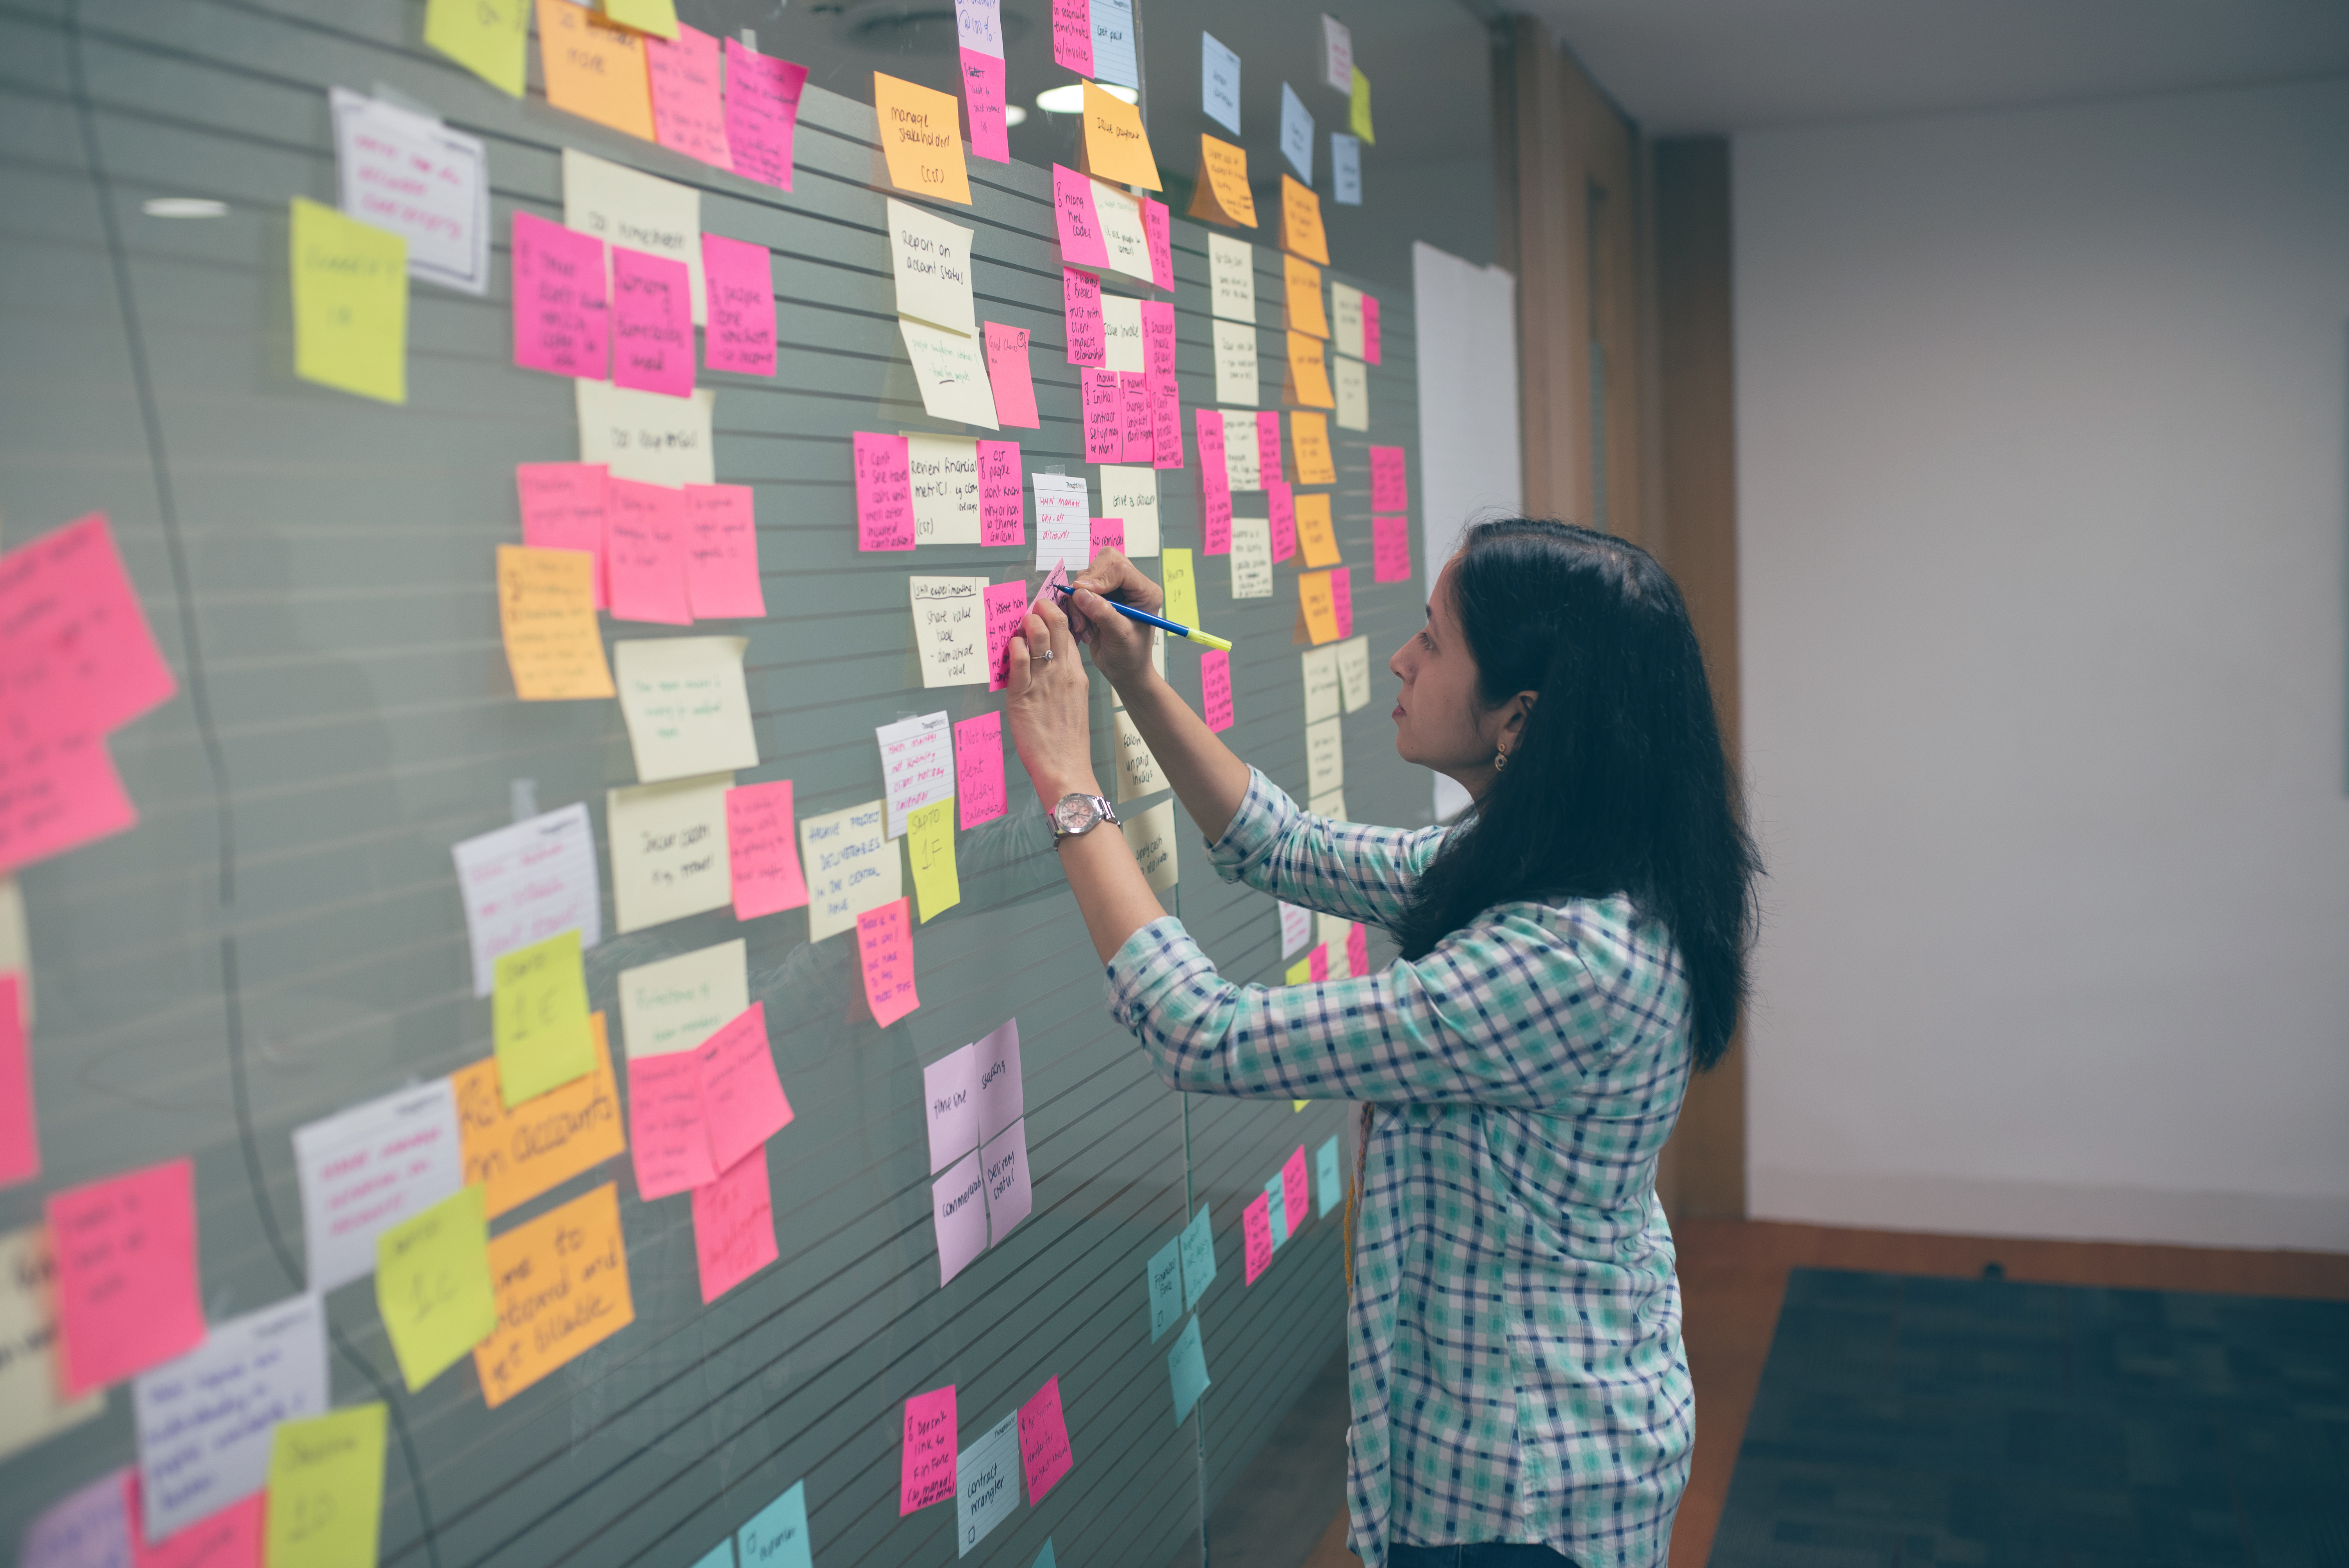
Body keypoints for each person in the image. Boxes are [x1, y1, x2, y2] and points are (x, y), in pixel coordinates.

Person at [1001, 518, 1759, 1568]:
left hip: (1526, 1491)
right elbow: (1284, 845)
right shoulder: (1550, 856)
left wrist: (1068, 783)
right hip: (1517, 1434)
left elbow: (1206, 1034)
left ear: (1521, 717)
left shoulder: (1570, 958)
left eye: (1436, 641)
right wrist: (1138, 679)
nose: (1403, 658)